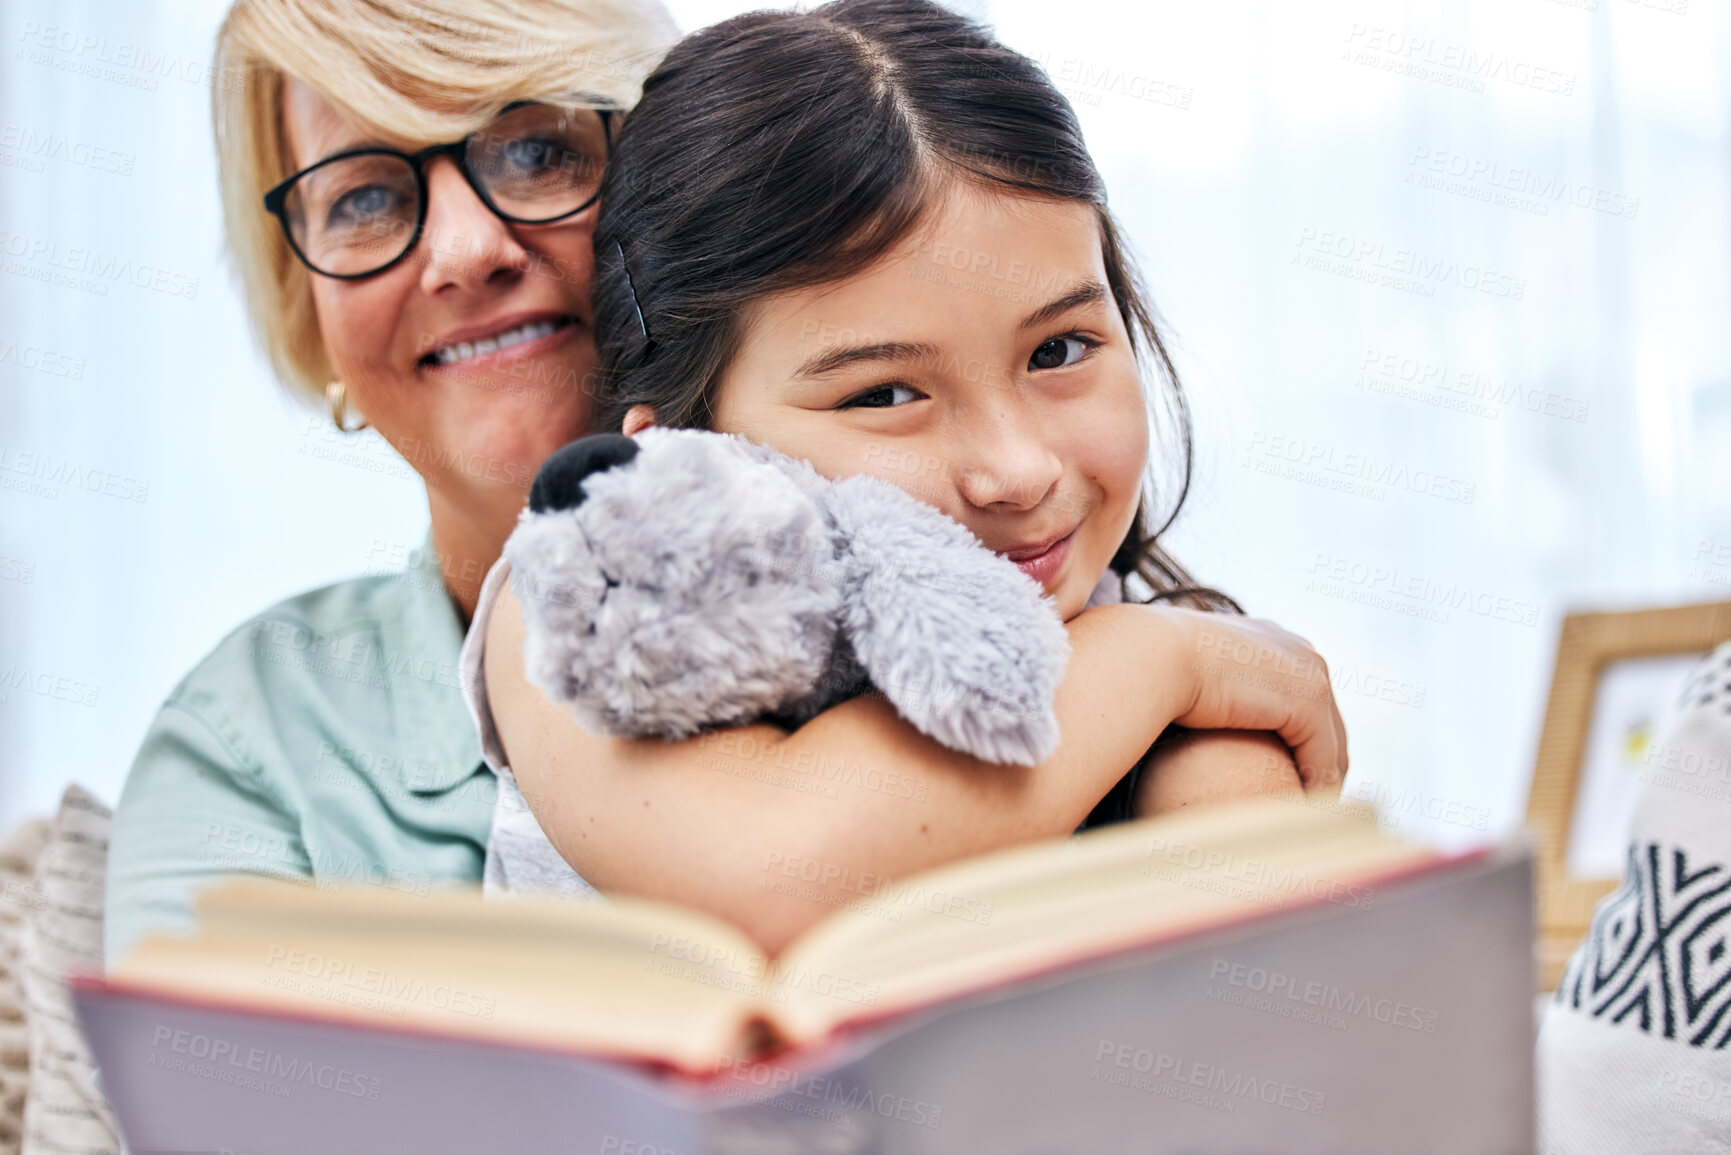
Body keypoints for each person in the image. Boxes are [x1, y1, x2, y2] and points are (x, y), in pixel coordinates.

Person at [468, 0, 1348, 954]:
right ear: (678, 451)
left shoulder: (1147, 649)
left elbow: (1260, 984)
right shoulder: (590, 608)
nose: (1018, 471)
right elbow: (772, 874)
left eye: (1058, 348)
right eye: (885, 393)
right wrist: (1164, 661)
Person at [102, 0, 682, 969]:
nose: (464, 253)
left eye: (539, 149)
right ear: (309, 310)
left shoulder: (940, 579)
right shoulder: (246, 749)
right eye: (364, 200)